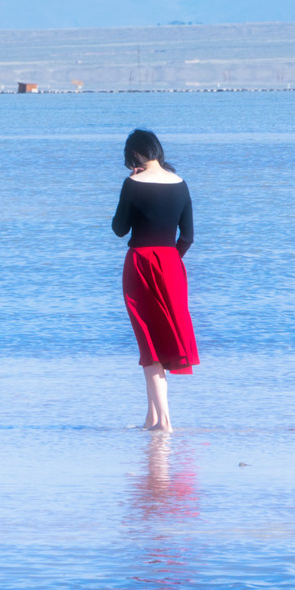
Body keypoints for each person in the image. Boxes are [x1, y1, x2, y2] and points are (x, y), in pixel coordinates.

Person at [111, 128, 199, 431]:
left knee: (149, 343)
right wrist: (170, 261)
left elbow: (119, 229)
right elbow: (187, 236)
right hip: (172, 266)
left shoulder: (132, 183)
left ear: (135, 155)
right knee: (164, 339)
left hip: (140, 264)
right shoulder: (181, 183)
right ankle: (151, 418)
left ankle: (165, 422)